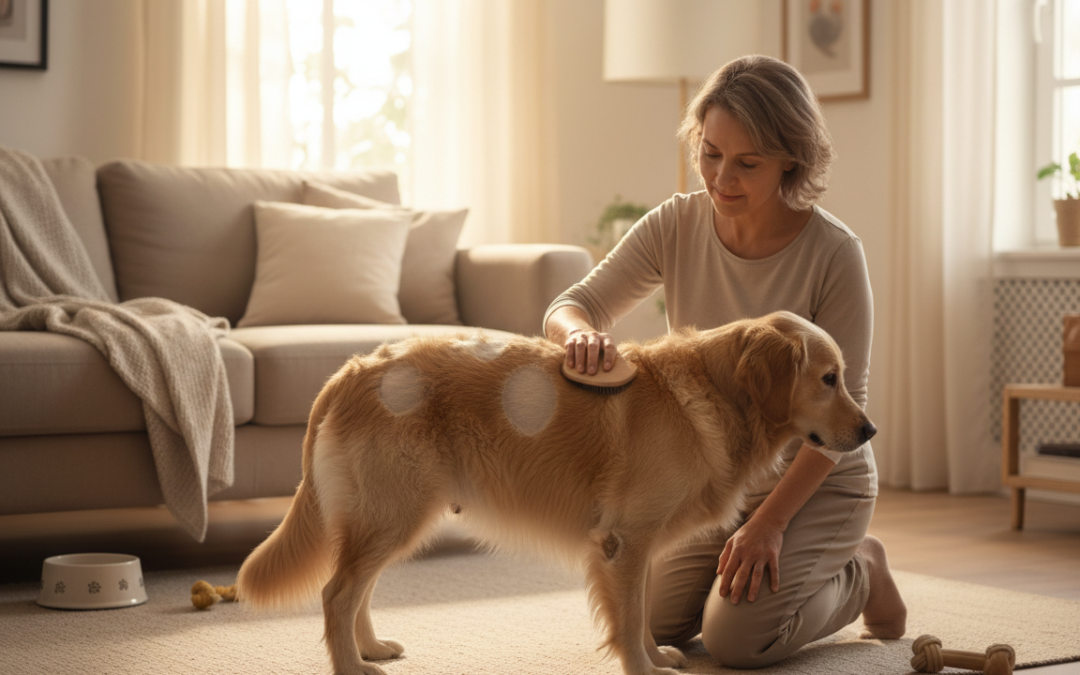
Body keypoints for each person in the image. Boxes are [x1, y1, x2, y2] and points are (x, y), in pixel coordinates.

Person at [543, 54, 907, 668]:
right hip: (712, 482)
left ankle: (862, 570)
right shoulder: (676, 223)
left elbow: (847, 411)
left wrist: (769, 524)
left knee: (738, 640)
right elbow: (572, 305)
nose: (721, 177)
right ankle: (737, 569)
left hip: (817, 483)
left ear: (790, 158)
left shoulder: (835, 252)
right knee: (647, 622)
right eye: (710, 154)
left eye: (747, 163)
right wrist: (579, 336)